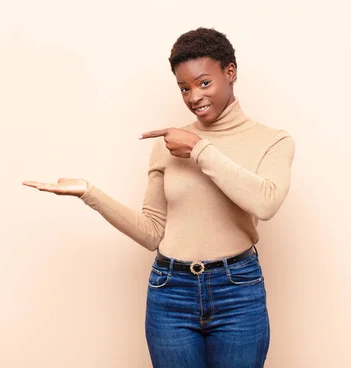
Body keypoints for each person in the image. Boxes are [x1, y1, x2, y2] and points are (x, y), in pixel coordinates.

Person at [23, 27, 295, 368]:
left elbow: (265, 203)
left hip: (236, 291)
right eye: (184, 88)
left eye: (204, 83)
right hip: (171, 291)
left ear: (230, 72)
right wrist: (89, 194)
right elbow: (153, 232)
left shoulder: (272, 140)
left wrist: (199, 149)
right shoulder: (167, 145)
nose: (194, 96)